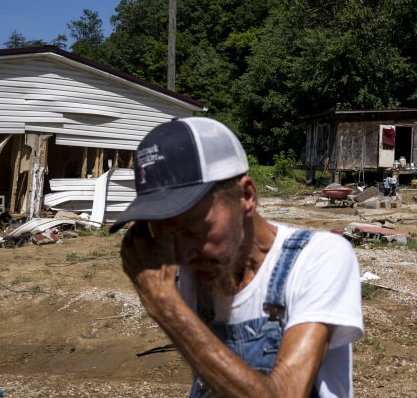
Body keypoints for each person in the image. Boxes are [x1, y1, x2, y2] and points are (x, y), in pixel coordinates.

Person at [112, 117, 364, 397]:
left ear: (246, 196)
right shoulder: (200, 267)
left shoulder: (318, 258)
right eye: (165, 234)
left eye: (194, 228)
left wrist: (164, 304)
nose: (182, 254)